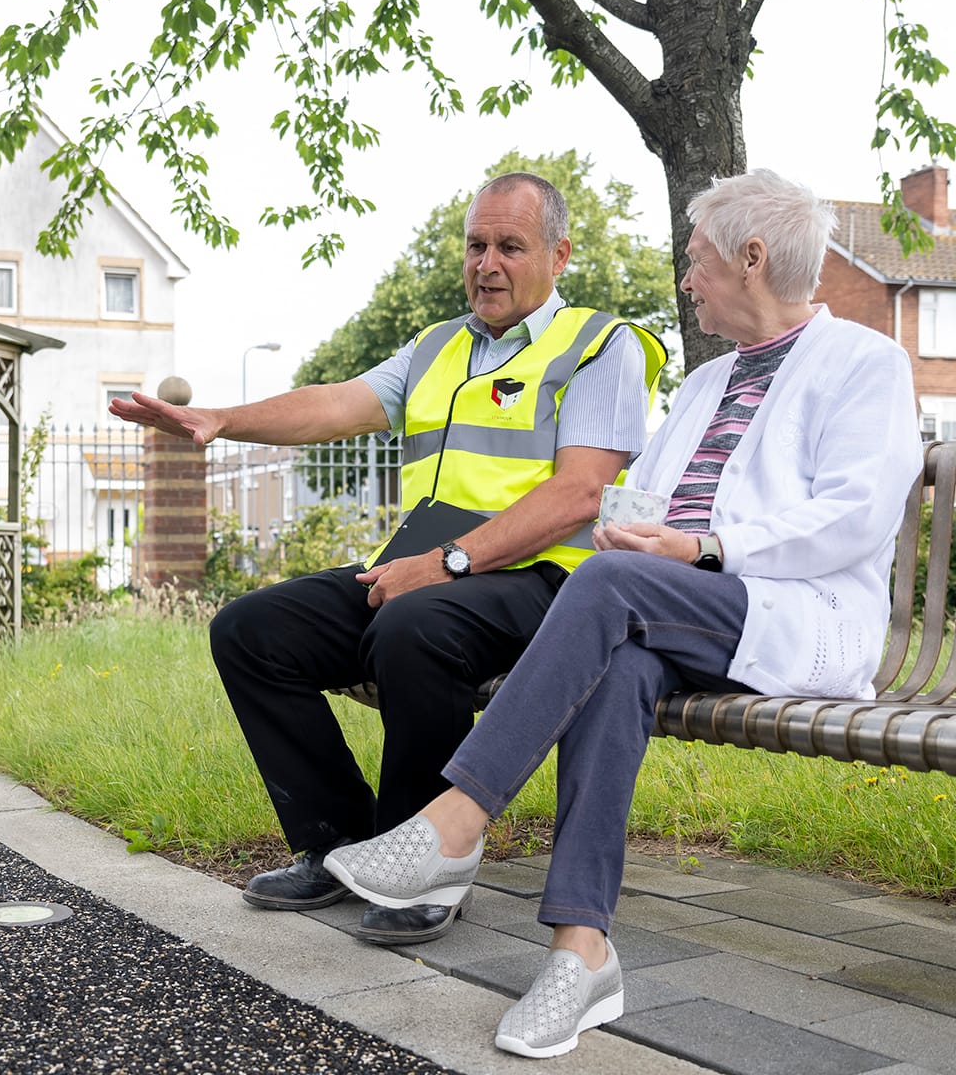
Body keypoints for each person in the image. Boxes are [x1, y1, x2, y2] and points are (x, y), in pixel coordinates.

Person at [320, 168, 922, 1057]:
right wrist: (633, 535)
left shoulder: (866, 363)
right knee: (619, 662)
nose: (687, 278)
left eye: (698, 260)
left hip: (795, 616)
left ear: (751, 259)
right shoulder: (706, 383)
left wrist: (702, 549)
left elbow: (855, 514)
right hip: (673, 615)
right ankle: (580, 953)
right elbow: (647, 501)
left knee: (603, 595)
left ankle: (453, 824)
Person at [110, 173, 667, 945]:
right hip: (436, 572)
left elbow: (579, 494)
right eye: (476, 246)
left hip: (547, 584)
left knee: (415, 624)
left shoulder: (602, 347)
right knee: (251, 630)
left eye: (510, 246)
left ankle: (427, 863)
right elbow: (333, 401)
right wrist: (221, 418)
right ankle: (341, 844)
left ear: (559, 255)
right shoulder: (437, 346)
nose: (488, 263)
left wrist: (451, 562)